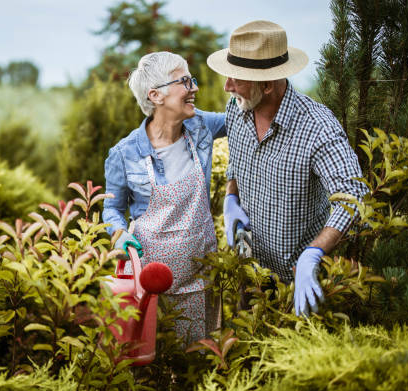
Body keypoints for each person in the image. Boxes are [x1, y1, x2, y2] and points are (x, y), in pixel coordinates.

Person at [206, 20, 368, 316]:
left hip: (299, 279)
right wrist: (231, 199)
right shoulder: (237, 106)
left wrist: (314, 253)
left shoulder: (317, 128)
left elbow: (353, 196)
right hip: (250, 264)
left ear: (267, 85)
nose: (228, 86)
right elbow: (239, 160)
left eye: (235, 79)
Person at [102, 51, 226, 344]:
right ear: (155, 95)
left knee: (196, 364)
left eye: (191, 80)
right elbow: (111, 208)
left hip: (199, 280)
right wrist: (118, 233)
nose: (194, 88)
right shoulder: (125, 153)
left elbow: (245, 115)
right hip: (147, 282)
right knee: (151, 361)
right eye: (184, 81)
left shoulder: (201, 127)